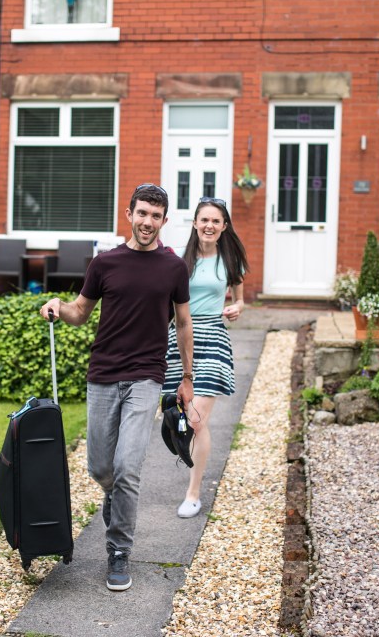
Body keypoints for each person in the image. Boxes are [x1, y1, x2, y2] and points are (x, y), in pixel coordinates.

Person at [39, 183, 194, 592]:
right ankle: (113, 497)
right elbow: (80, 312)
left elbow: (183, 322)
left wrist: (187, 377)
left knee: (128, 468)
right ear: (129, 214)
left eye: (155, 216)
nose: (147, 222)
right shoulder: (104, 263)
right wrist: (58, 306)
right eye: (141, 213)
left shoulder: (174, 268)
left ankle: (119, 550)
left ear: (164, 221)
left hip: (146, 376)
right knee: (101, 468)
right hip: (103, 374)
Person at [162, 196, 249, 519]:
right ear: (195, 224)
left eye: (216, 221)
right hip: (180, 338)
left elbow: (240, 300)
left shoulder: (230, 261)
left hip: (213, 336)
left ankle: (193, 493)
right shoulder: (177, 262)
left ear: (224, 226)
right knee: (184, 414)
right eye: (204, 220)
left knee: (197, 419)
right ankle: (177, 429)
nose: (209, 226)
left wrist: (236, 308)